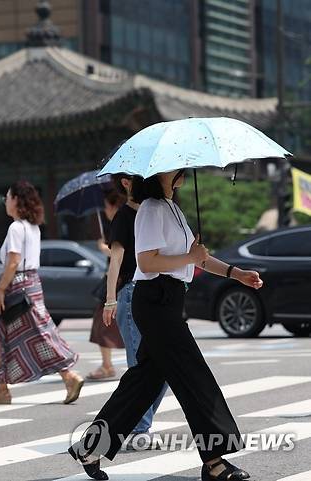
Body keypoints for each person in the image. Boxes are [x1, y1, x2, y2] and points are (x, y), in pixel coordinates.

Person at [69, 170, 262, 481]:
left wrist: (235, 273)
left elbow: (197, 260)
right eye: (175, 167)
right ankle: (215, 461)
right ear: (159, 175)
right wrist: (189, 255)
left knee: (144, 381)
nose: (182, 170)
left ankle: (90, 448)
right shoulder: (150, 209)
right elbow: (147, 262)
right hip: (154, 300)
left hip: (170, 300)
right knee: (193, 374)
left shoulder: (173, 209)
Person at [0, 180, 83, 405]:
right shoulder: (33, 227)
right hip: (32, 284)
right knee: (39, 333)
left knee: (9, 335)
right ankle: (2, 388)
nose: (5, 203)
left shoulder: (16, 227)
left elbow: (13, 262)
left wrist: (0, 289)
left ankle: (68, 376)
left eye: (7, 198)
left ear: (16, 201)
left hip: (16, 287)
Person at [101, 174, 168, 446]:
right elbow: (116, 259)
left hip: (158, 293)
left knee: (163, 365)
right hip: (130, 292)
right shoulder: (124, 217)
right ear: (126, 184)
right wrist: (109, 299)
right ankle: (140, 428)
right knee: (139, 363)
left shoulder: (156, 213)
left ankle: (139, 423)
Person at [87, 189, 124, 381]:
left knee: (105, 323)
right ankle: (107, 364)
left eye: (107, 207)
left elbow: (121, 253)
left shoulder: (122, 223)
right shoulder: (117, 224)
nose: (105, 211)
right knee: (103, 324)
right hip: (116, 281)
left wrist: (104, 247)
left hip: (119, 281)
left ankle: (107, 365)